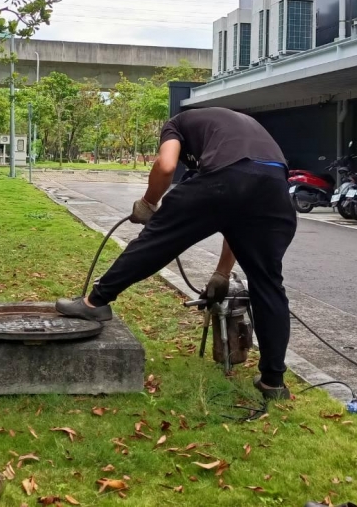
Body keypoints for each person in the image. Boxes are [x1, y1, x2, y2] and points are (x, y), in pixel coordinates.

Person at [56, 107, 297, 399]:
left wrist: (148, 202)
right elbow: (238, 217)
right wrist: (222, 273)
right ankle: (273, 382)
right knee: (268, 283)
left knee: (155, 241)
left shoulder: (176, 123)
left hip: (226, 177)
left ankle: (95, 302)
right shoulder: (237, 126)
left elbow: (167, 165)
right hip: (275, 189)